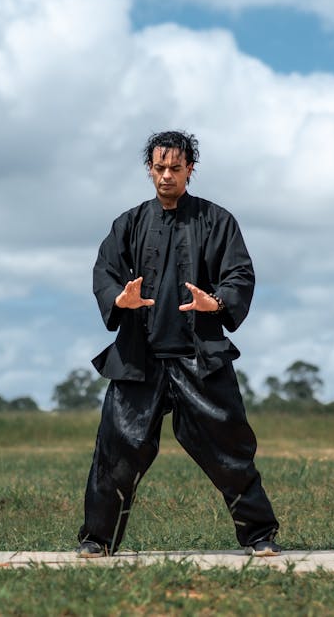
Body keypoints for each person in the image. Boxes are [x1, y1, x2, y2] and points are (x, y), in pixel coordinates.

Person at [76, 130, 281, 558]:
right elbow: (105, 270)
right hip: (139, 359)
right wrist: (119, 298)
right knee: (116, 451)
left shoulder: (217, 221)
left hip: (199, 357)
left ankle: (259, 534)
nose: (166, 175)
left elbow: (239, 273)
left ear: (191, 168)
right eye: (159, 167)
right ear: (149, 169)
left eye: (175, 167)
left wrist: (218, 301)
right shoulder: (129, 223)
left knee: (230, 449)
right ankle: (97, 540)